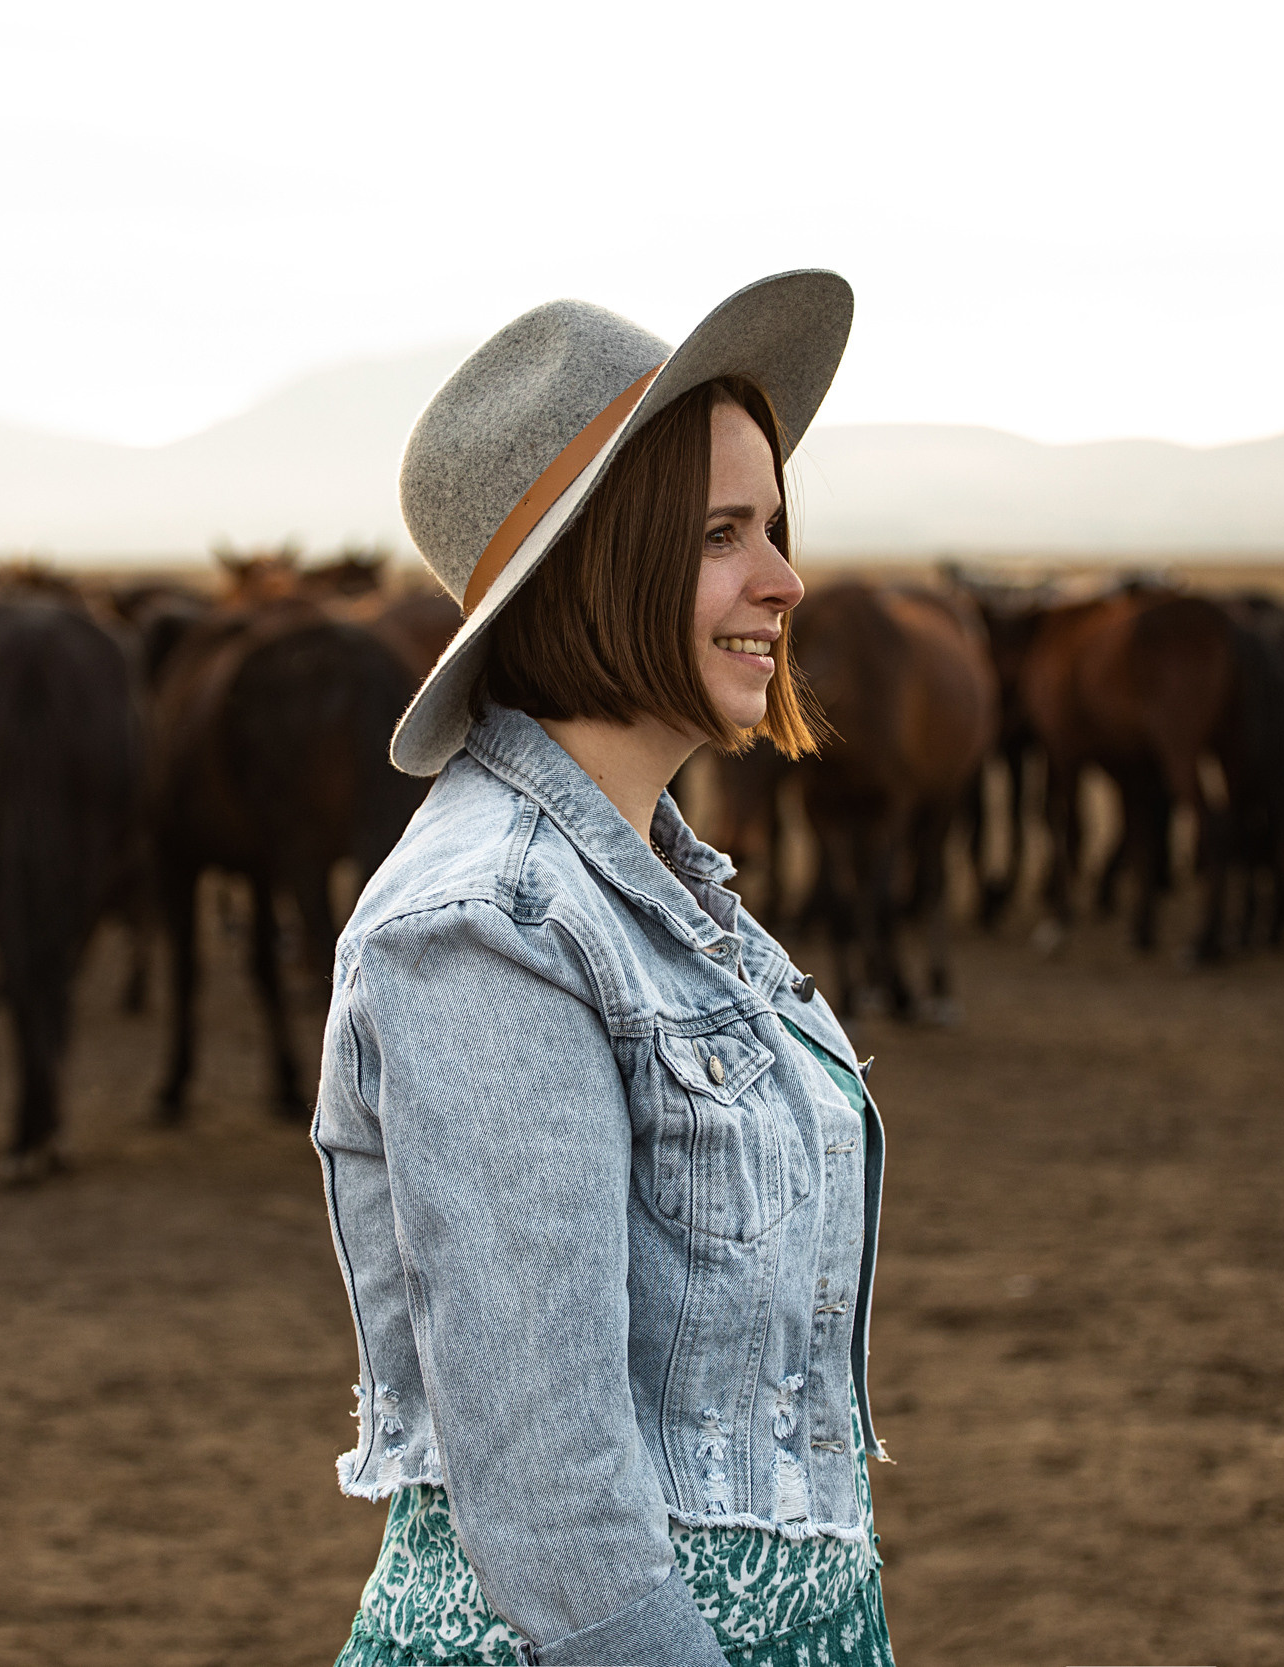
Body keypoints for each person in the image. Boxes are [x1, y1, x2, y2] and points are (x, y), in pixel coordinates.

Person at [315, 271, 891, 1667]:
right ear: (593, 567)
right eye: (721, 536)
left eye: (776, 528)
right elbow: (551, 1487)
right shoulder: (488, 926)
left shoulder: (668, 893)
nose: (785, 579)